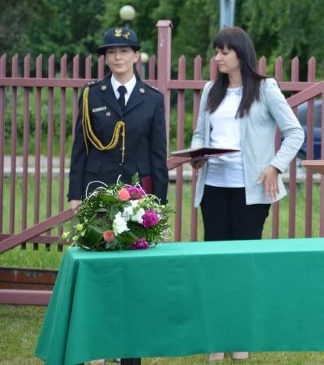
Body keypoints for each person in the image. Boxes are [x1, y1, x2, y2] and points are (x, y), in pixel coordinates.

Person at [189, 26, 304, 362]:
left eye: (224, 51)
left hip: (250, 193)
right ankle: (216, 338)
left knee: (242, 264)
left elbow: (294, 133)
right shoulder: (211, 89)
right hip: (213, 189)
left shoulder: (265, 88)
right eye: (216, 52)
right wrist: (196, 154)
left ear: (241, 53)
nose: (218, 58)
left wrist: (275, 165)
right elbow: (200, 134)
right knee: (216, 263)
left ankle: (239, 336)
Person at [68, 27, 169, 365]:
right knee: (101, 269)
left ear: (136, 56)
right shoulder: (91, 95)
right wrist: (75, 194)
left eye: (125, 51)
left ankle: (129, 352)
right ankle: (96, 346)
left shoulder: (152, 98)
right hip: (98, 193)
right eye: (111, 52)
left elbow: (158, 153)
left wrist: (161, 201)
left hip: (139, 197)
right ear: (105, 58)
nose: (118, 57)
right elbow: (79, 148)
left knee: (134, 274)